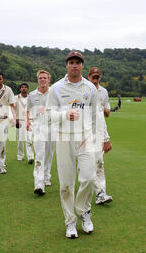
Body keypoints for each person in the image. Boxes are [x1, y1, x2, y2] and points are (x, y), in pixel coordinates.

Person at [46, 51, 112, 239]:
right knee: (66, 184)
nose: (74, 65)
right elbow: (48, 115)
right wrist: (64, 115)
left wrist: (101, 137)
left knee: (89, 178)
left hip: (85, 138)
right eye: (71, 62)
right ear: (66, 65)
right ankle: (70, 222)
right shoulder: (56, 88)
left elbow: (95, 116)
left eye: (78, 62)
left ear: (82, 66)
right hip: (64, 138)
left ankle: (83, 211)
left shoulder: (90, 88)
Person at [27, 70, 55, 196]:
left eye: (45, 78)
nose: (42, 80)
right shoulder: (32, 95)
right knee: (39, 156)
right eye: (40, 78)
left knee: (49, 155)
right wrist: (27, 121)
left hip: (52, 127)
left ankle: (47, 177)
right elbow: (27, 110)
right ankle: (39, 184)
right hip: (38, 127)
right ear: (37, 80)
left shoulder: (54, 93)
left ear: (49, 80)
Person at [87, 67, 113, 205]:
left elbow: (107, 113)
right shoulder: (83, 89)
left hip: (98, 130)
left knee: (99, 162)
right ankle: (86, 189)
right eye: (93, 77)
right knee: (85, 165)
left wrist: (98, 107)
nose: (95, 80)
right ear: (88, 76)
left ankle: (100, 192)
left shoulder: (103, 92)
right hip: (83, 131)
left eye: (97, 77)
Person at [16, 83, 34, 164]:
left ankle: (30, 157)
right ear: (20, 89)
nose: (24, 89)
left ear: (28, 89)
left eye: (25, 87)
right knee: (20, 140)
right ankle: (20, 155)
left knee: (29, 139)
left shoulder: (31, 98)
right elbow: (13, 109)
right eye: (22, 87)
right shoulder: (15, 98)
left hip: (29, 120)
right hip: (19, 120)